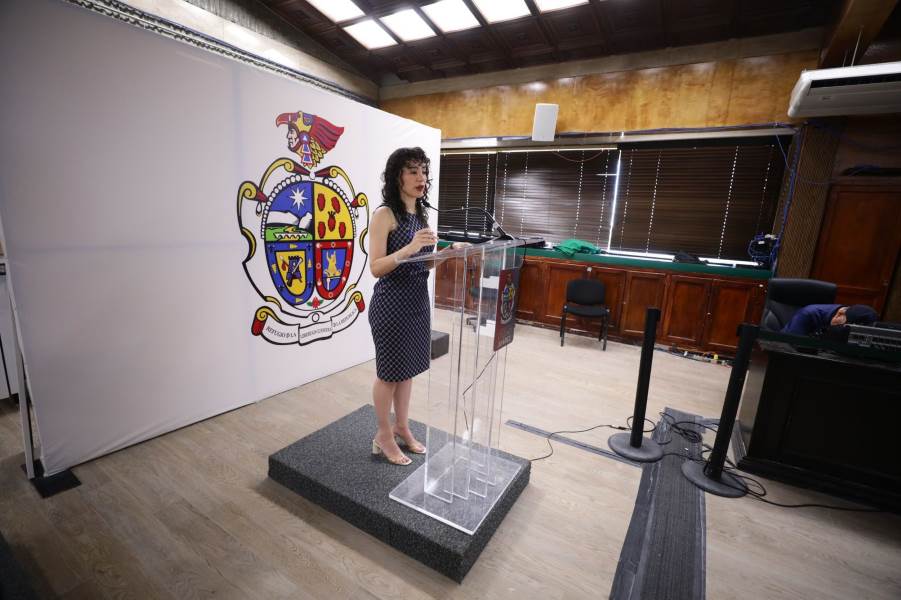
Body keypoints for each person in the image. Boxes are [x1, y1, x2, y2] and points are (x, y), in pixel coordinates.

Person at [366, 147, 439, 466]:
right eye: (412, 171)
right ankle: (383, 435)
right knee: (389, 375)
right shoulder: (385, 214)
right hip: (391, 305)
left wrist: (447, 253)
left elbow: (425, 264)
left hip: (417, 304)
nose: (420, 177)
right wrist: (410, 248)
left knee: (407, 373)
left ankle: (402, 427)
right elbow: (376, 267)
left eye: (423, 171)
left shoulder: (420, 216)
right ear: (397, 176)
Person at [781, 303, 878, 337]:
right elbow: (789, 345)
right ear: (840, 313)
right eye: (841, 328)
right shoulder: (808, 314)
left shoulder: (845, 314)